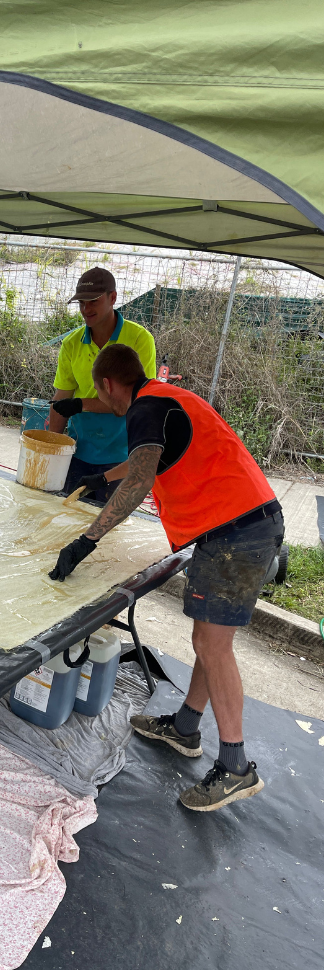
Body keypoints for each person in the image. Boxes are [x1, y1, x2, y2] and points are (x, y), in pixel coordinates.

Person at [48, 343, 284, 813]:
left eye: (100, 393)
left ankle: (236, 767)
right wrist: (102, 479)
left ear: (107, 385)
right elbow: (143, 467)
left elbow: (139, 483)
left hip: (237, 532)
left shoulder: (145, 407)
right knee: (207, 641)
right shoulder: (164, 399)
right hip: (244, 524)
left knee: (213, 647)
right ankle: (185, 728)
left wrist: (87, 541)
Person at [49, 267, 156, 500]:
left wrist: (80, 404)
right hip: (78, 451)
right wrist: (50, 450)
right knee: (66, 518)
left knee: (104, 528)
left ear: (113, 298)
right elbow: (61, 398)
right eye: (81, 303)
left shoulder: (140, 339)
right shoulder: (71, 343)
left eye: (93, 301)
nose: (86, 309)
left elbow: (139, 401)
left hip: (121, 455)